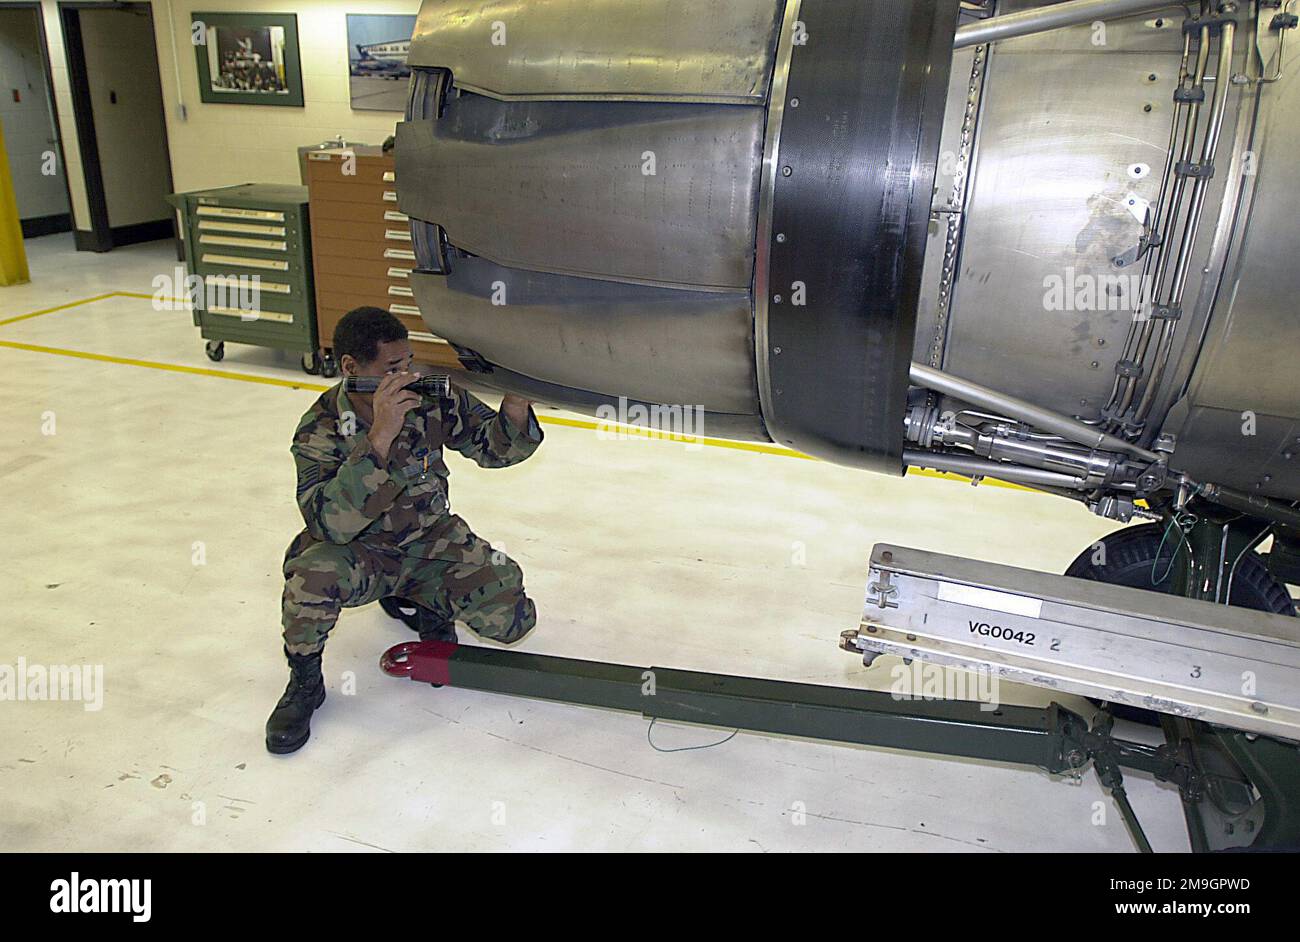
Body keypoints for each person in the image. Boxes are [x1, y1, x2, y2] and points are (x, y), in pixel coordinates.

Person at [266, 306, 543, 754]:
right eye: (392, 368)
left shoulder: (430, 396)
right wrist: (380, 436)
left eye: (408, 362)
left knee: (512, 621)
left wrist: (514, 402)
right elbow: (329, 524)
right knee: (311, 578)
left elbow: (494, 452)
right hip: (361, 550)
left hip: (431, 540)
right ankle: (305, 682)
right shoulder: (319, 429)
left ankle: (424, 598)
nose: (406, 374)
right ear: (351, 367)